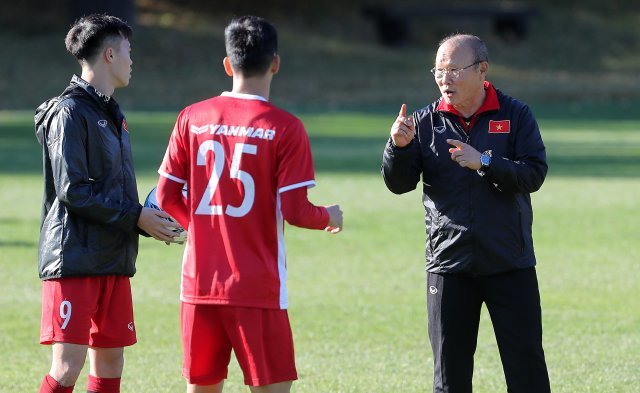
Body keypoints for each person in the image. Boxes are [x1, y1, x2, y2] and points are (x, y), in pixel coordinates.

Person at [156, 15, 343, 393]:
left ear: (227, 64)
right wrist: (329, 216)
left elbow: (165, 197)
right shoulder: (285, 127)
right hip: (256, 287)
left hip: (199, 284)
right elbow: (295, 210)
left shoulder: (191, 117)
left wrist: (201, 230)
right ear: (276, 62)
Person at [381, 34, 551, 392]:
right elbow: (399, 185)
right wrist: (398, 148)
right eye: (439, 71)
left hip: (509, 261)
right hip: (449, 266)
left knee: (527, 372)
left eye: (454, 70)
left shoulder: (515, 114)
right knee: (449, 377)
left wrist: (485, 162)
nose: (445, 79)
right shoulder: (424, 122)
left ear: (482, 70)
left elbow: (533, 174)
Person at [34, 14, 178, 393]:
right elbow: (74, 191)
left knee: (112, 361)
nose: (133, 60)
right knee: (67, 367)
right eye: (129, 51)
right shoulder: (69, 112)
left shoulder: (113, 113)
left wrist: (149, 219)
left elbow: (113, 191)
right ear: (110, 55)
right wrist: (136, 217)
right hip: (75, 258)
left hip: (113, 257)